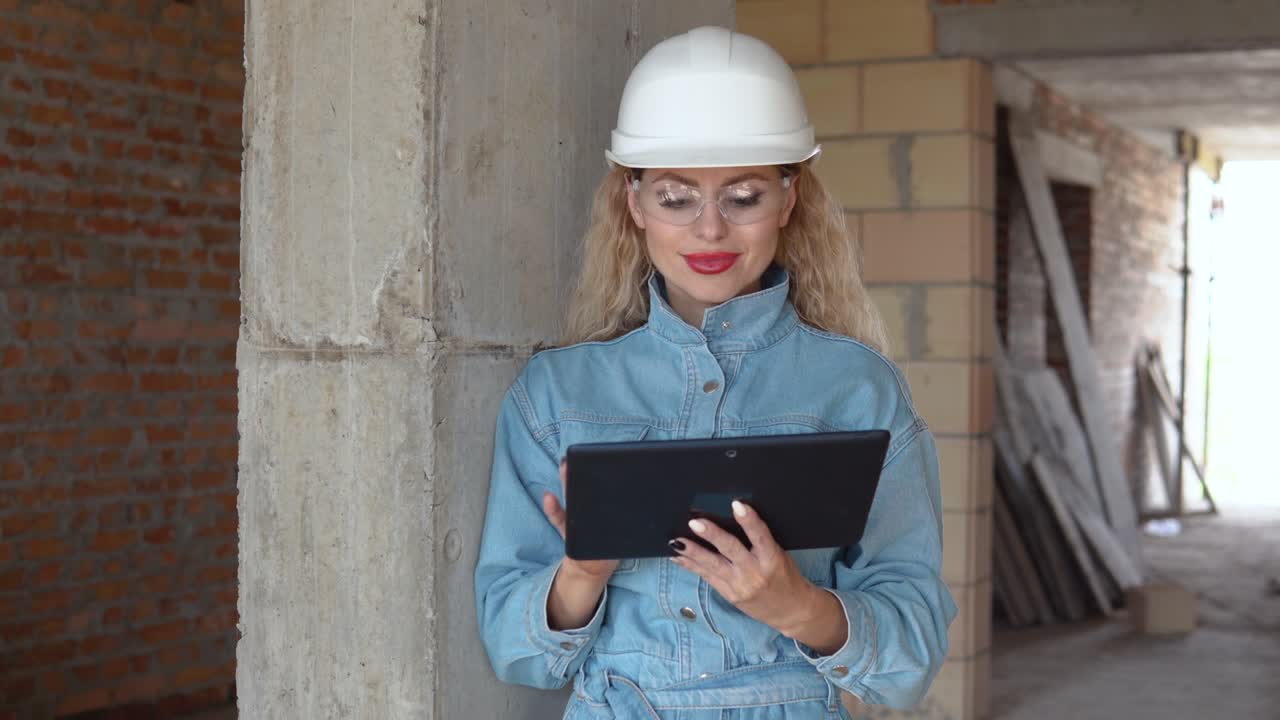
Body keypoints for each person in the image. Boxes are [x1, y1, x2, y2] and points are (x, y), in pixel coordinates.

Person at [474, 26, 956, 720]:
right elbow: (512, 651)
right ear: (634, 204)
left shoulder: (859, 391)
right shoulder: (555, 395)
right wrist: (583, 571)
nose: (709, 231)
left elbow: (911, 653)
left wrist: (797, 606)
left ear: (789, 200)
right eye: (675, 197)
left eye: (743, 196)